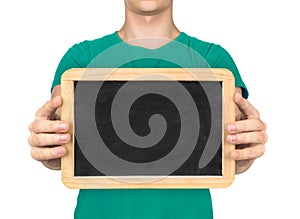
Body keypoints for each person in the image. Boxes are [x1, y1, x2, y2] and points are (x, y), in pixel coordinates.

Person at [28, 0, 267, 218]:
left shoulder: (212, 58)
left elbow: (232, 143)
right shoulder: (82, 57)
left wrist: (243, 154)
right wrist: (52, 149)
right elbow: (62, 134)